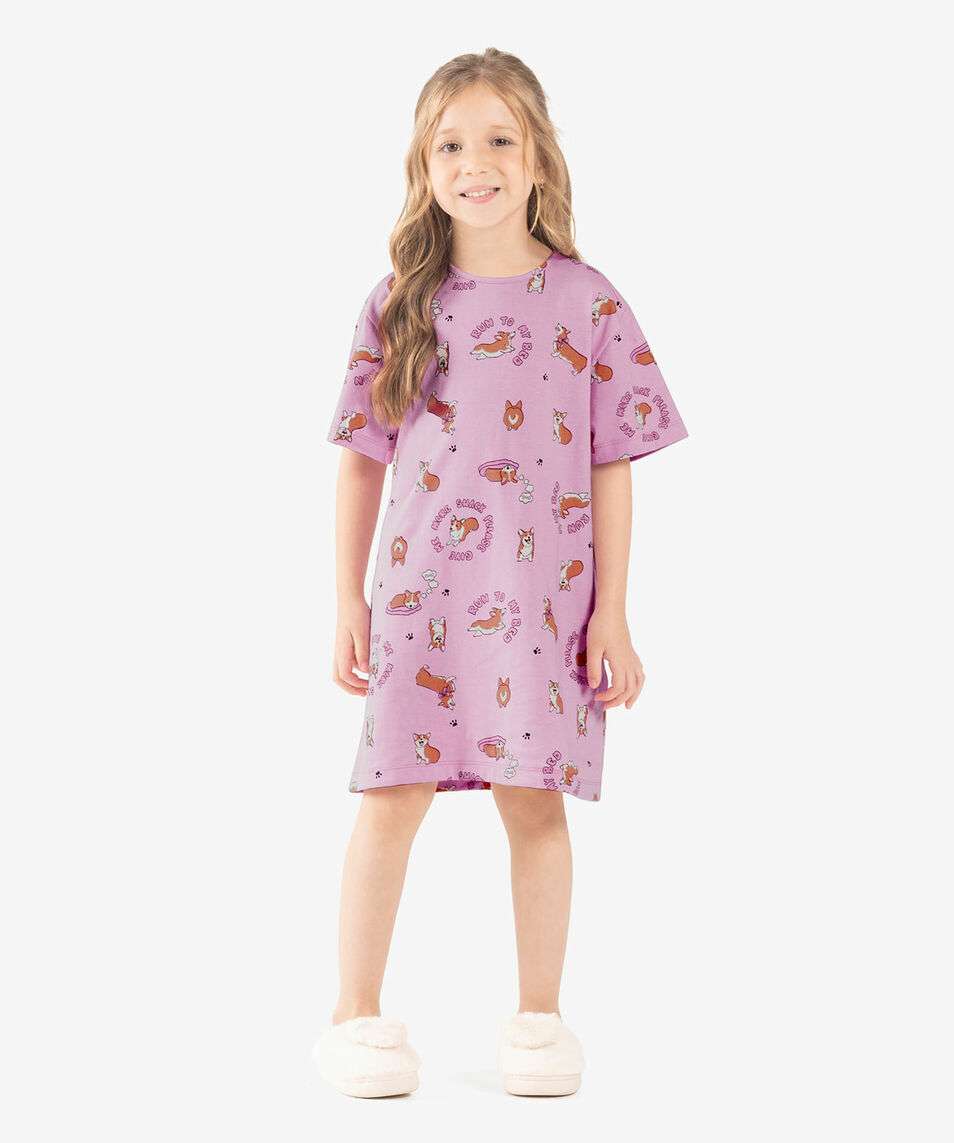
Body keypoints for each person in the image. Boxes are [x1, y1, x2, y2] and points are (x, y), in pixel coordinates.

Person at [313, 47, 688, 1099]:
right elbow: (360, 460)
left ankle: (538, 1021)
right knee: (391, 796)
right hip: (420, 599)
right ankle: (354, 1015)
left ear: (536, 157)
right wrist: (346, 598)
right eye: (450, 145)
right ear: (423, 164)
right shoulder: (400, 302)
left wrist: (614, 613)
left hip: (543, 607)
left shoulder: (588, 302)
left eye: (496, 140)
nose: (473, 163)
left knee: (534, 802)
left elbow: (612, 461)